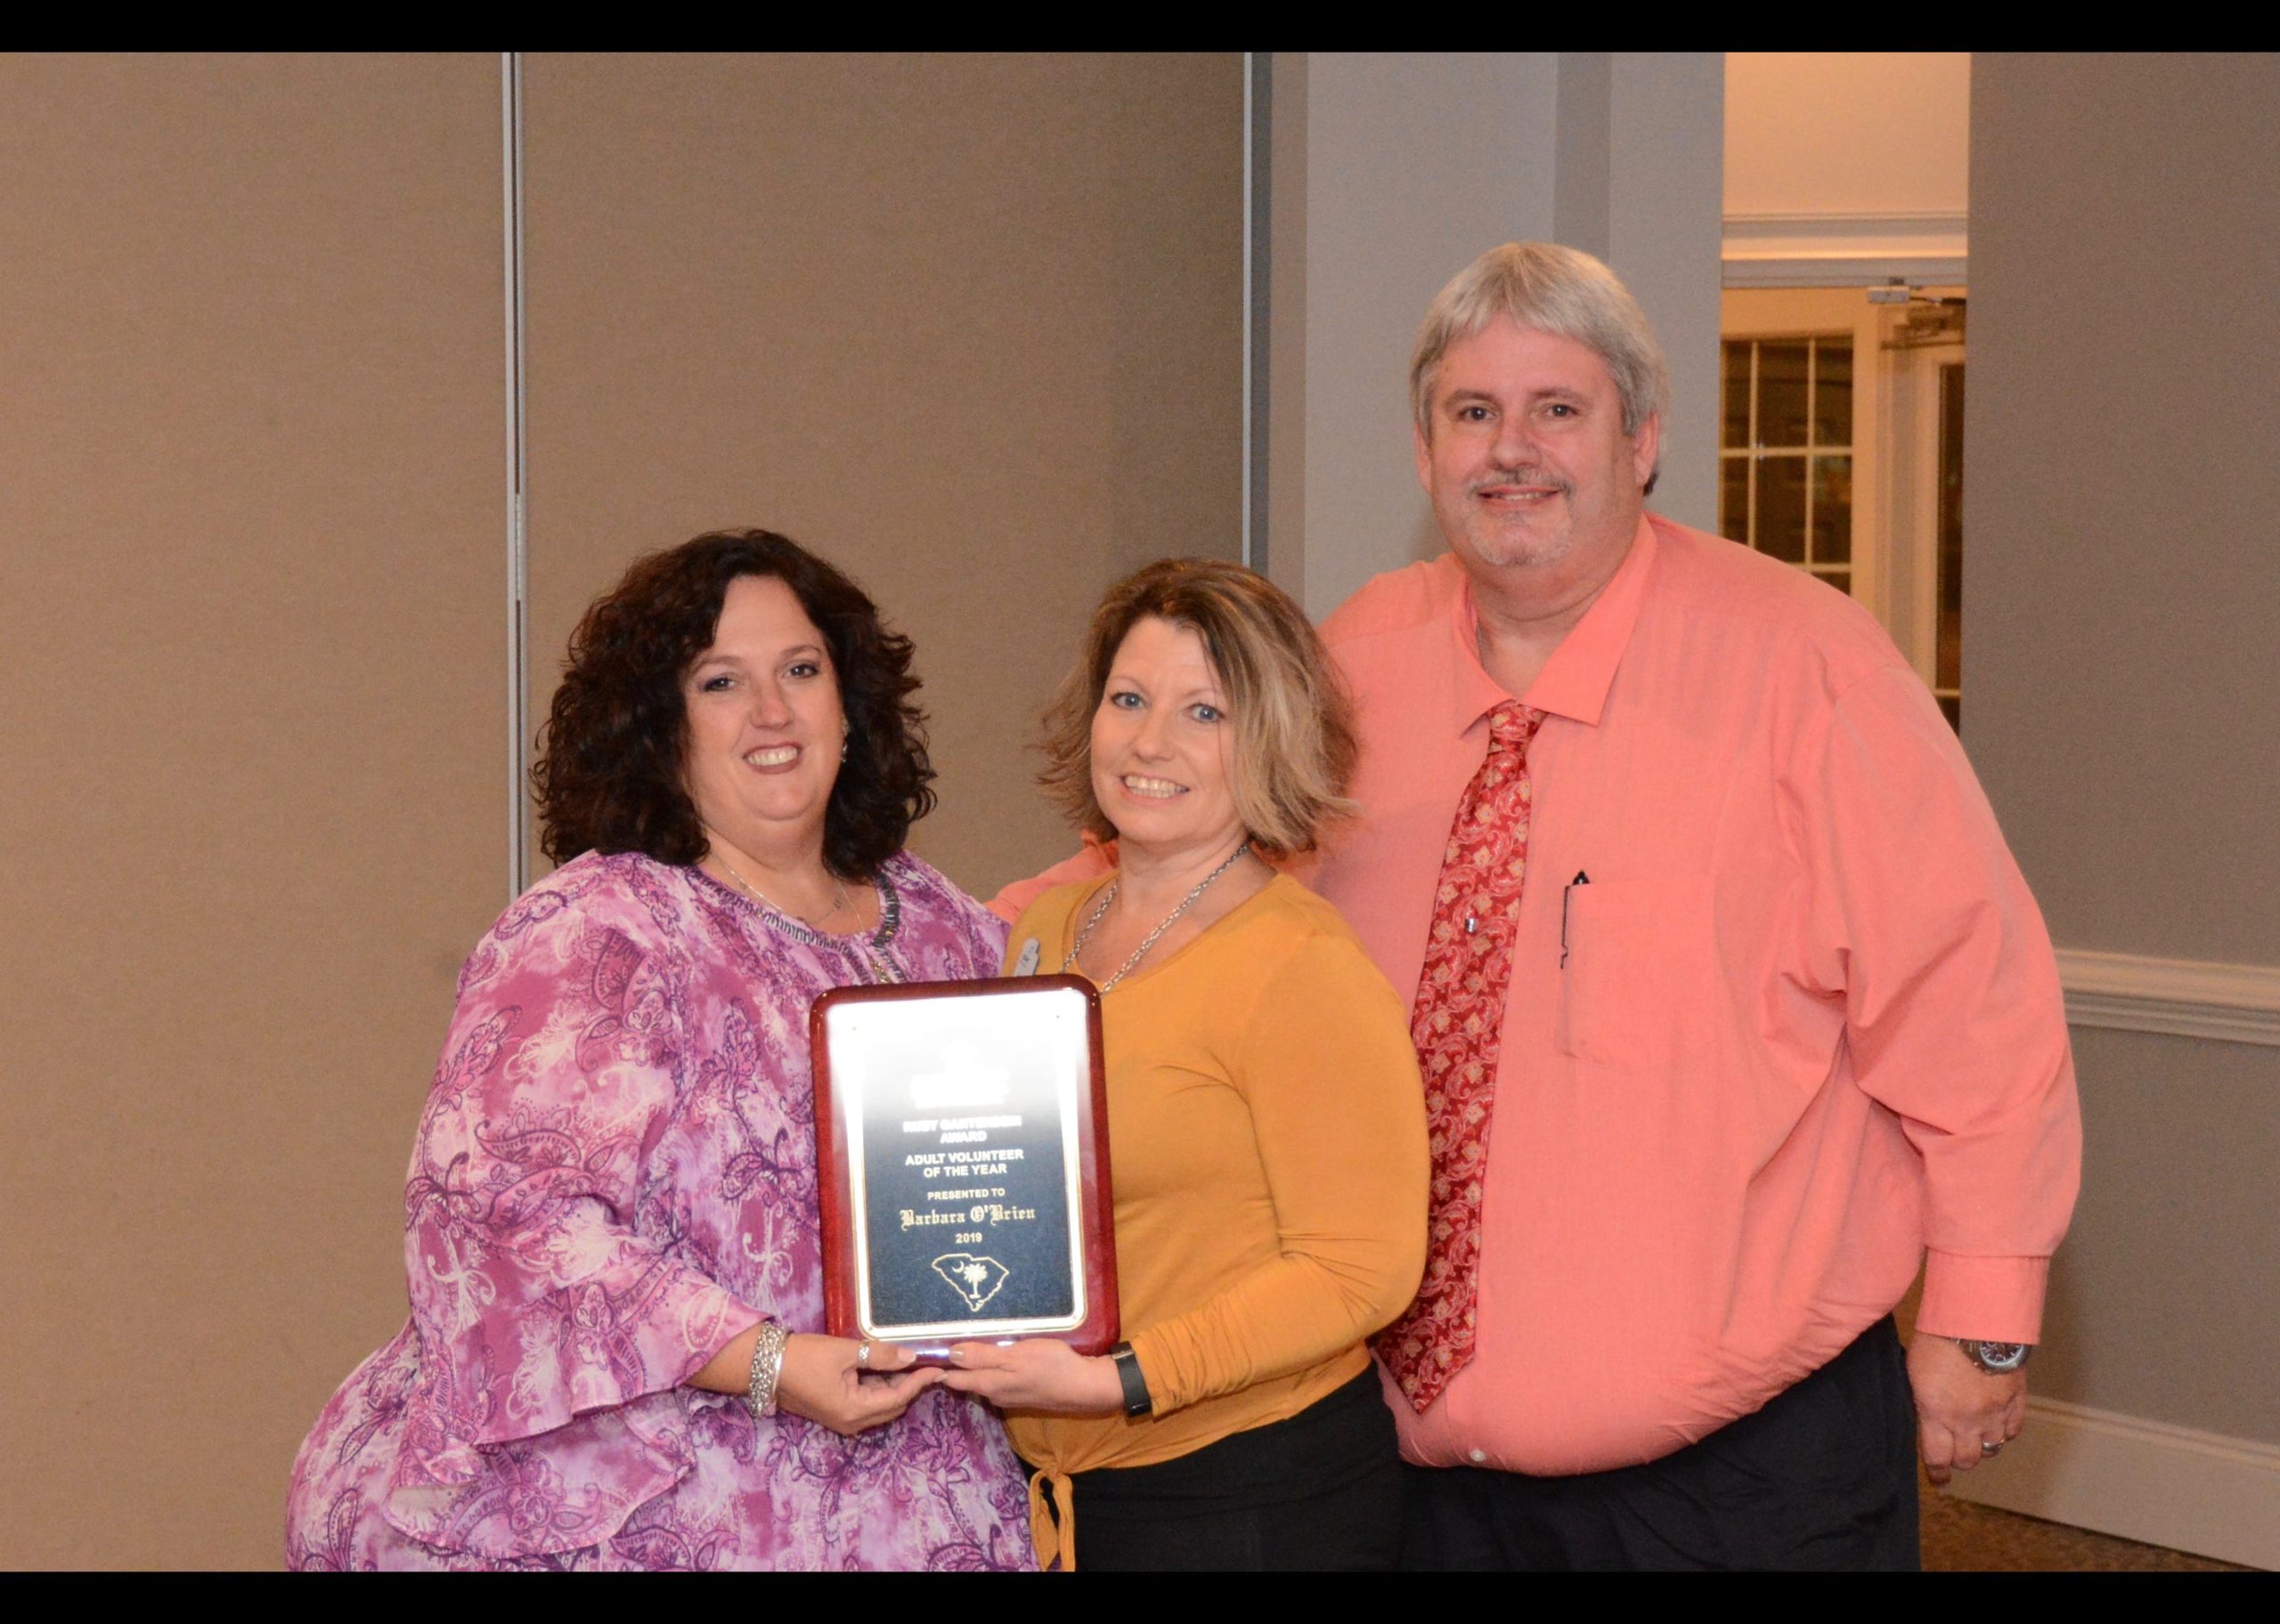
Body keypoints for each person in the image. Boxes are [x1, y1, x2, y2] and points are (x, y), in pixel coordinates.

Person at [999, 244, 2081, 1570]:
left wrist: (1982, 1321)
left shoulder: (1808, 668)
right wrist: (876, 934)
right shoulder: (1356, 660)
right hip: (1412, 1484)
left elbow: (1973, 1007)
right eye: (1473, 412)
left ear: (1643, 437)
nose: (1512, 449)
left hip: (1741, 1484)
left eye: (1557, 408)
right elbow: (1172, 865)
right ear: (1424, 452)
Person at [286, 530, 1033, 1571]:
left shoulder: (947, 926)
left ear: (850, 702)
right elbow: (507, 1217)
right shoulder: (599, 934)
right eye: (721, 682)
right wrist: (769, 1362)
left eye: (801, 671)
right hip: (654, 1509)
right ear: (659, 725)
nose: (771, 712)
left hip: (923, 1494)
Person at [944, 558, 1429, 1571]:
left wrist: (1121, 1378)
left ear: (1272, 741)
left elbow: (1360, 1270)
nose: (1150, 742)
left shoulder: (1300, 966)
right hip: (1066, 1493)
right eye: (1129, 699)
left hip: (1248, 1499)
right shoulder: (1045, 928)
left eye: (1204, 713)